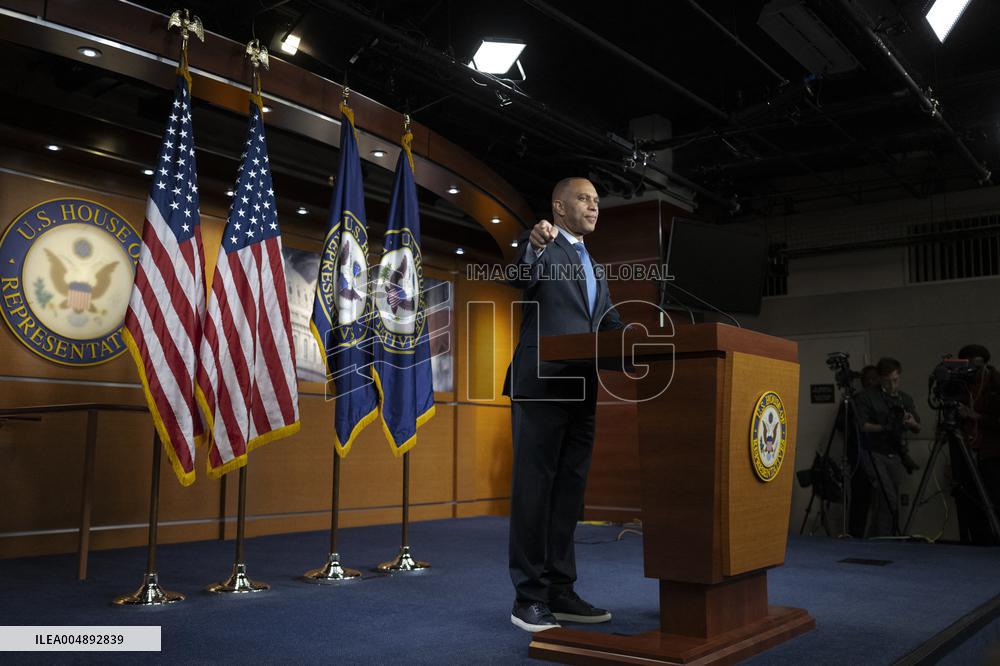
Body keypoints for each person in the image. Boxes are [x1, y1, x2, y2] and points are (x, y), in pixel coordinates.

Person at [502, 177, 623, 632]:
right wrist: (532, 243)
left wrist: (629, 337)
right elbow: (519, 276)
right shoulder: (543, 243)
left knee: (569, 494)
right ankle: (527, 598)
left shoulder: (596, 265)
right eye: (584, 199)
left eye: (596, 200)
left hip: (582, 387)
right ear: (558, 206)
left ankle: (559, 589)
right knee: (534, 492)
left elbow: (607, 321)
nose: (593, 206)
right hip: (541, 385)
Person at [854, 357, 921, 537]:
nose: (892, 385)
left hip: (896, 453)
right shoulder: (867, 396)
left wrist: (909, 422)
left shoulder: (904, 398)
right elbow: (862, 425)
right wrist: (885, 427)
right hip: (874, 452)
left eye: (895, 380)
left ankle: (881, 536)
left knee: (891, 500)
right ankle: (885, 539)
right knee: (887, 497)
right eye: (887, 381)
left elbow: (918, 427)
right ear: (880, 378)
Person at [953, 344, 1000, 545]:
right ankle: (973, 542)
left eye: (976, 366)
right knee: (967, 500)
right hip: (966, 450)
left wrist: (976, 416)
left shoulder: (995, 383)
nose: (971, 370)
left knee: (993, 499)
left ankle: (993, 541)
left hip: (991, 453)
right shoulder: (960, 384)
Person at [847, 365, 880, 538]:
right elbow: (843, 426)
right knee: (859, 498)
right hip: (859, 455)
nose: (870, 382)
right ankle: (855, 534)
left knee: (882, 500)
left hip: (880, 453)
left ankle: (881, 534)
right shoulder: (855, 400)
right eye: (867, 379)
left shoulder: (883, 400)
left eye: (874, 378)